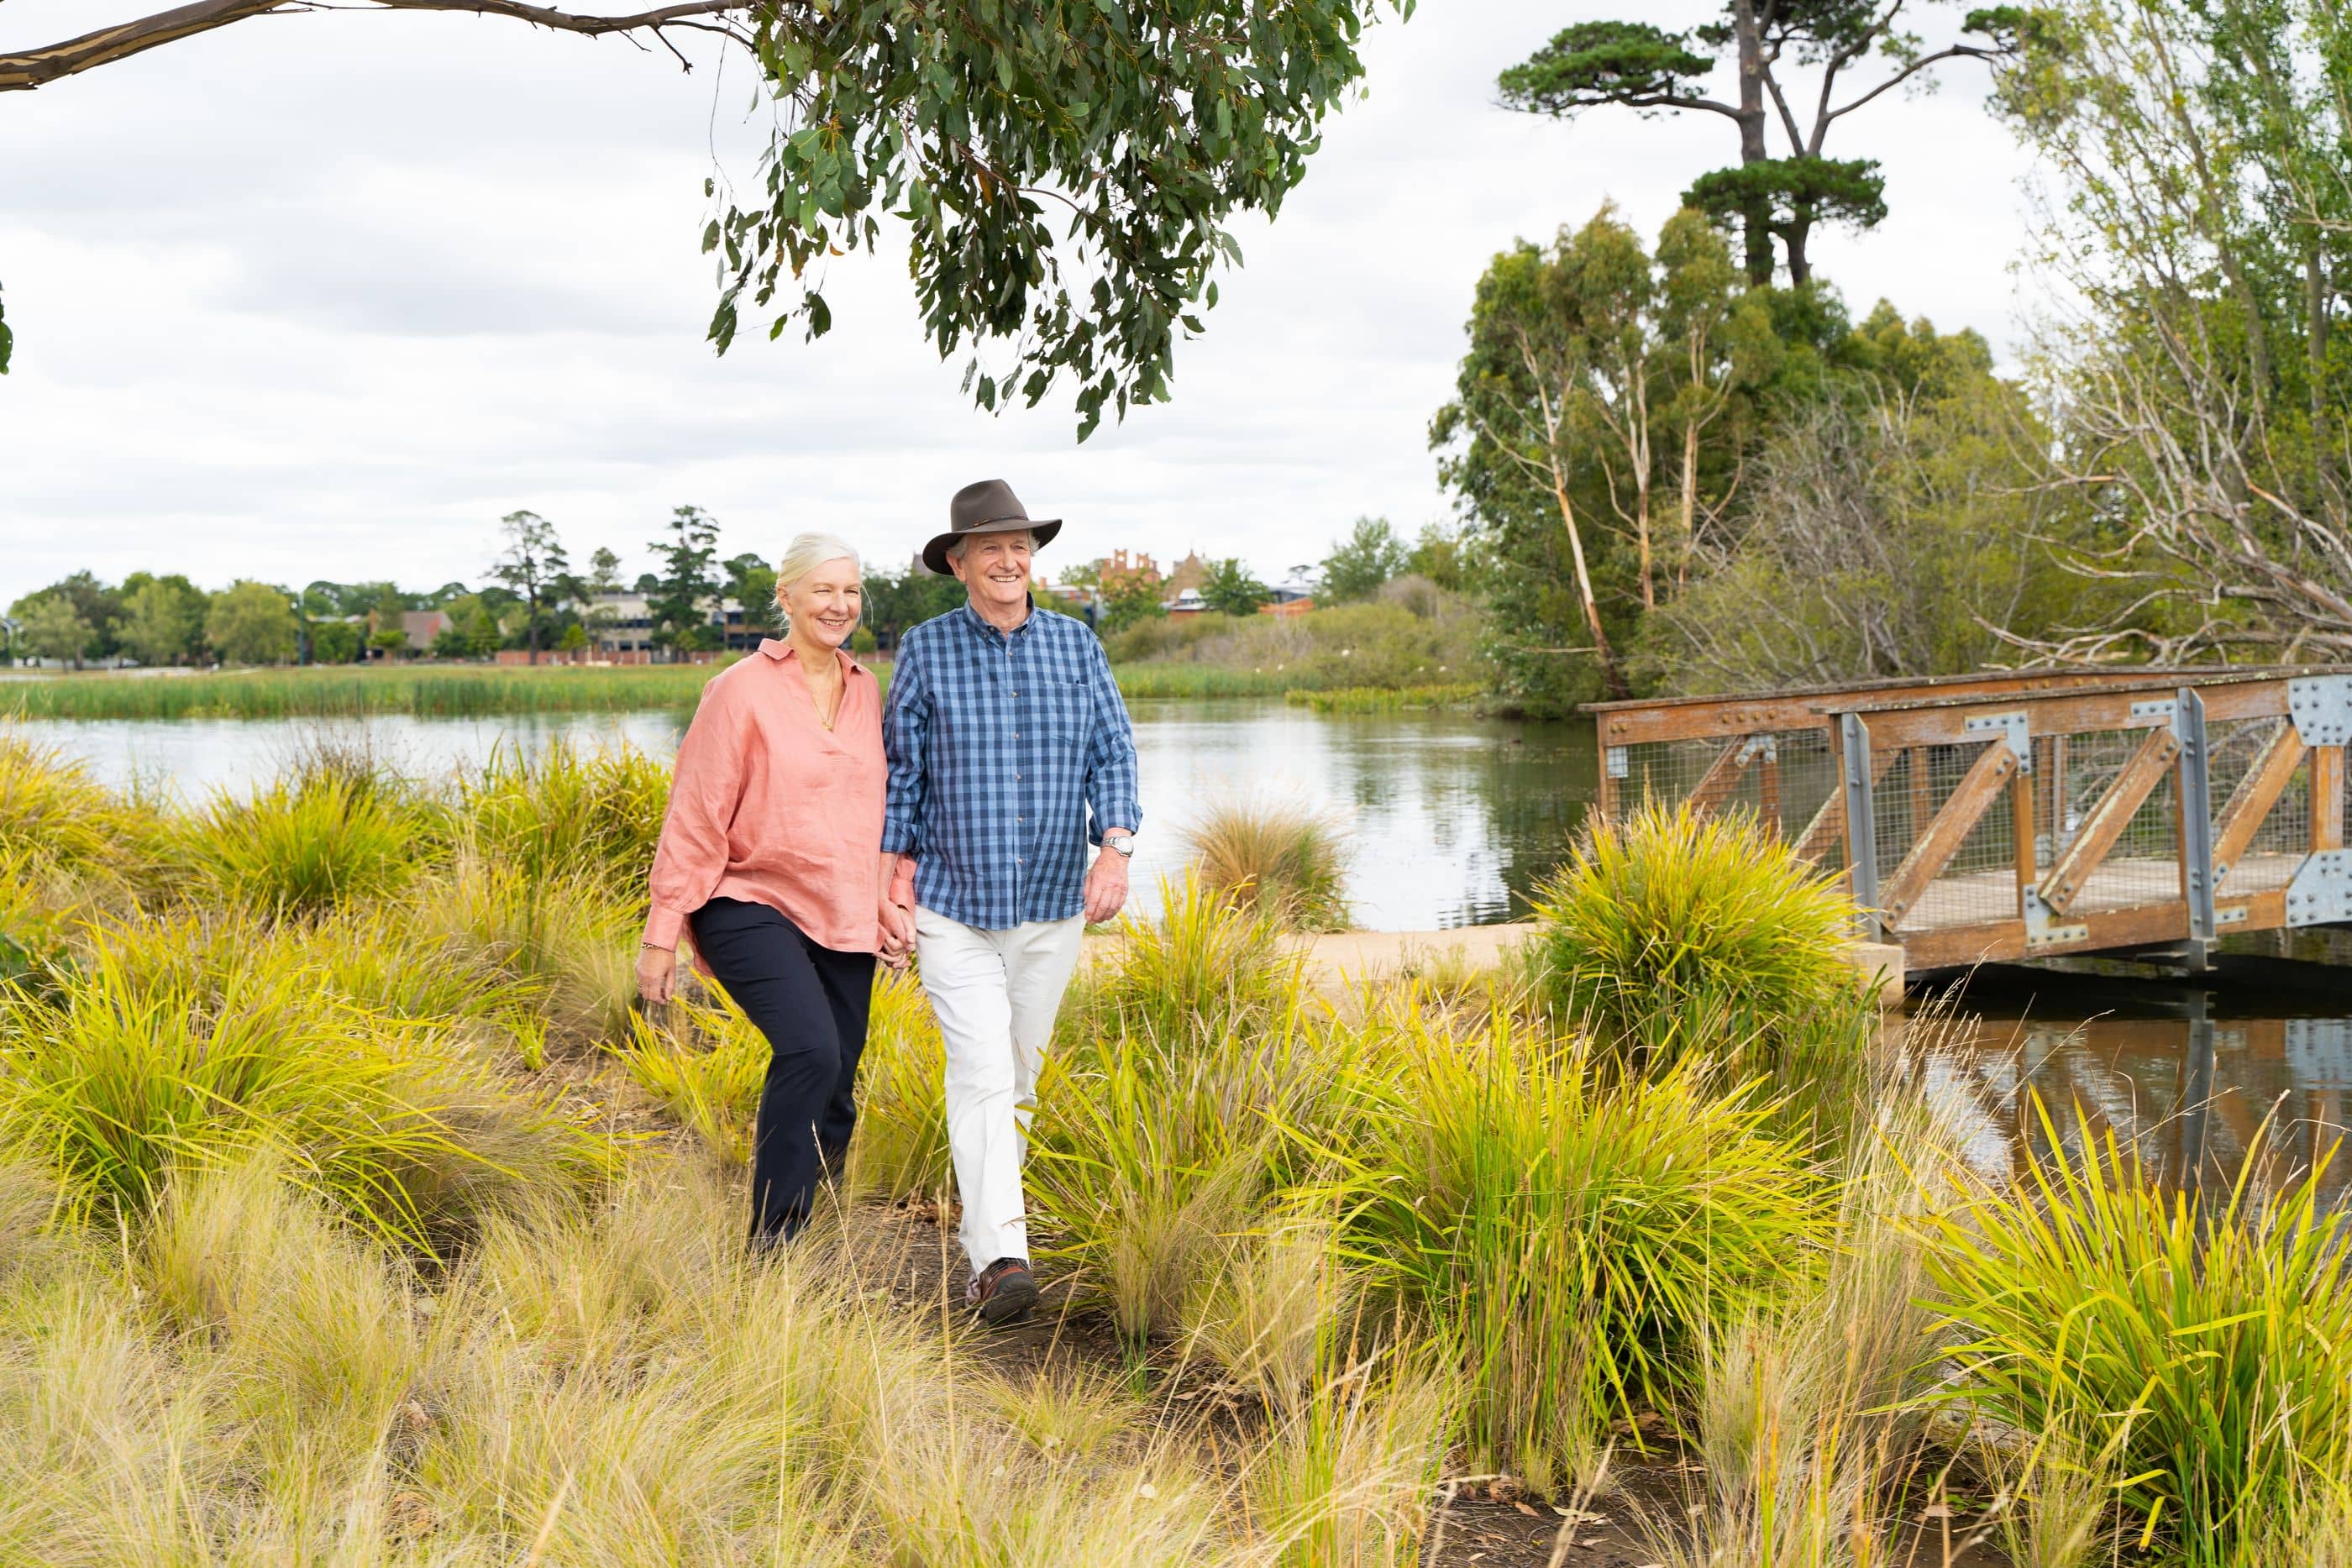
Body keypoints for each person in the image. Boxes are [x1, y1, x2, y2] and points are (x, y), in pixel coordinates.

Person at [878, 479, 1142, 1324]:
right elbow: (902, 772)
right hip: (954, 904)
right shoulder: (924, 650)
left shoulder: (1076, 647)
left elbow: (1114, 751)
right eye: (989, 546)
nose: (1008, 558)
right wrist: (892, 876)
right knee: (983, 1072)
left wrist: (1116, 848)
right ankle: (1002, 1258)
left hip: (1053, 904)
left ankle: (985, 1239)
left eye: (1020, 543)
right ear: (957, 562)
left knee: (1018, 1077)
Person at [638, 532, 907, 1250]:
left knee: (837, 1089)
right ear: (785, 597)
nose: (839, 605)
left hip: (844, 907)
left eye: (850, 591)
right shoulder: (739, 689)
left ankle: (815, 1235)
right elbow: (696, 812)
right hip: (746, 898)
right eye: (823, 590)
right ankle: (770, 1247)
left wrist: (893, 897)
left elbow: (887, 807)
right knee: (811, 1051)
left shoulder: (867, 688)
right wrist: (661, 933)